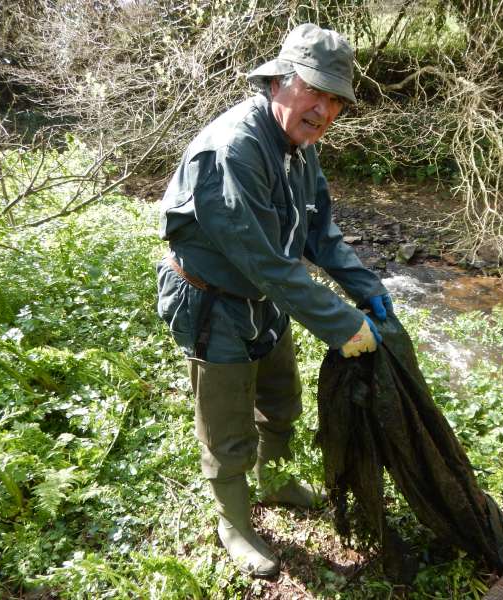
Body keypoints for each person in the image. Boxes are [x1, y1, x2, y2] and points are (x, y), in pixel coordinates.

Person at [156, 23, 394, 578]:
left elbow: (319, 233)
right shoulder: (234, 149)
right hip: (211, 300)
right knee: (227, 424)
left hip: (266, 299)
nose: (324, 110)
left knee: (281, 398)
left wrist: (367, 289)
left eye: (336, 99)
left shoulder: (298, 146)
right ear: (281, 80)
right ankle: (234, 522)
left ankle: (278, 480)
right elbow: (262, 258)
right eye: (315, 90)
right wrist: (341, 324)